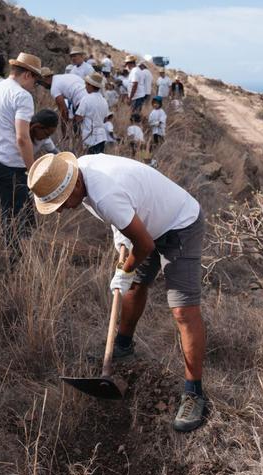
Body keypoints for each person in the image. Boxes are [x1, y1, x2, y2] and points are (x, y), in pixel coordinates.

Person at [27, 152, 209, 432]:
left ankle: (194, 392)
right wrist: (121, 236)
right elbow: (126, 207)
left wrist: (124, 270)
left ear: (74, 185)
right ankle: (123, 347)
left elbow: (144, 245)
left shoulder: (104, 194)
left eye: (60, 204)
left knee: (182, 310)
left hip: (179, 223)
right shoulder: (80, 171)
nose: (60, 211)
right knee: (136, 286)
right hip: (148, 223)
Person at [0, 52, 42, 247]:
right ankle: (14, 266)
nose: (33, 86)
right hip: (10, 164)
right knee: (13, 220)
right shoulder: (22, 96)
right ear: (27, 75)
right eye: (35, 81)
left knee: (4, 215)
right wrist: (31, 170)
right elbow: (22, 137)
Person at [37, 70, 87, 136]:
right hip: (92, 97)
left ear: (45, 79)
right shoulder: (63, 77)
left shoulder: (54, 88)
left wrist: (64, 132)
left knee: (77, 129)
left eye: (41, 83)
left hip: (81, 101)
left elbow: (64, 111)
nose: (43, 86)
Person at [75, 73, 110, 155]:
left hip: (90, 137)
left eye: (86, 84)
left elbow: (78, 118)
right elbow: (105, 119)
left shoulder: (86, 99)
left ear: (90, 85)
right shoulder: (104, 100)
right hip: (102, 136)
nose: (85, 86)